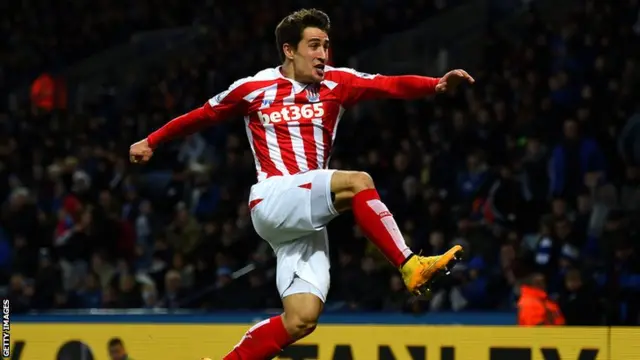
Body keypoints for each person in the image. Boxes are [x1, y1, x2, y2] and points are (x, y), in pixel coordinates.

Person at [130, 9, 473, 359]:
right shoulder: (253, 88)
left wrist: (436, 84)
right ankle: (409, 263)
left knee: (301, 319)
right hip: (273, 198)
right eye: (314, 46)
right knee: (358, 182)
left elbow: (387, 84)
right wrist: (152, 141)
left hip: (306, 216)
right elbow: (201, 115)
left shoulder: (338, 83)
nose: (323, 54)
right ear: (289, 50)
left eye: (326, 46)